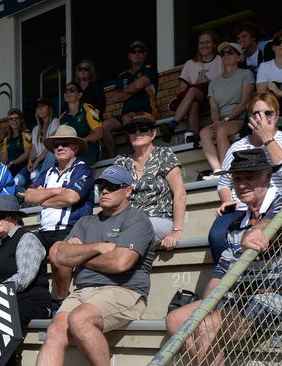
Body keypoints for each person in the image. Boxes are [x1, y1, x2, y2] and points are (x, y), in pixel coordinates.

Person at [165, 149, 282, 365]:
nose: (241, 184)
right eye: (237, 178)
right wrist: (206, 305)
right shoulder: (234, 226)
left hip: (277, 297)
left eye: (250, 177)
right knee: (176, 320)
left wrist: (260, 229)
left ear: (268, 175)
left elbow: (275, 217)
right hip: (241, 299)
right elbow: (219, 276)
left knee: (204, 326)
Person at [36, 165, 155, 366]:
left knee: (79, 319)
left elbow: (120, 263)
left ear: (128, 191)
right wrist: (98, 247)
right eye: (102, 187)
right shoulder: (85, 221)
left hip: (124, 290)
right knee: (55, 331)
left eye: (112, 186)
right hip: (83, 291)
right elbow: (61, 255)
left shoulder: (136, 219)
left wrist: (80, 254)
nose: (105, 191)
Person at [21, 125, 94, 307]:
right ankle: (35, 300)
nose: (59, 148)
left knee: (57, 252)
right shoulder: (47, 172)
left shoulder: (83, 170)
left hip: (72, 228)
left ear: (75, 148)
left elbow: (71, 197)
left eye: (64, 144)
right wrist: (58, 191)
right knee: (20, 244)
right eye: (56, 145)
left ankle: (61, 300)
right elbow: (30, 196)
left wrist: (44, 196)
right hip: (45, 230)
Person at [209, 93, 282, 263]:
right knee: (217, 234)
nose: (262, 118)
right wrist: (227, 199)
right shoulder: (238, 146)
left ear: (277, 116)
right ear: (249, 118)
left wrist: (268, 140)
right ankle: (227, 280)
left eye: (268, 113)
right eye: (256, 114)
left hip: (278, 206)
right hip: (242, 207)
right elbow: (223, 183)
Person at [0, 195, 52, 365]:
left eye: (1, 215)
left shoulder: (27, 239)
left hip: (30, 300)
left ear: (14, 217)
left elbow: (24, 277)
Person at [114, 114, 187, 248]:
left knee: (126, 236)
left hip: (157, 218)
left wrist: (177, 232)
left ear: (153, 134)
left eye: (143, 129)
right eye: (132, 130)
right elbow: (114, 195)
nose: (137, 133)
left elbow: (180, 194)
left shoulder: (164, 155)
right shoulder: (122, 162)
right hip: (128, 221)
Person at [199, 42, 255, 178]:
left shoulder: (246, 74)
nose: (226, 55)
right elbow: (213, 107)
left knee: (221, 130)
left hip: (240, 118)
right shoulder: (214, 82)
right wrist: (216, 121)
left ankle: (226, 170)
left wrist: (226, 120)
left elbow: (244, 102)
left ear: (239, 58)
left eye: (230, 52)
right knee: (204, 133)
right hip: (222, 121)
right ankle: (217, 170)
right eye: (223, 54)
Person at [161, 30, 222, 142]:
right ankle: (193, 137)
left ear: (214, 44)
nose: (204, 45)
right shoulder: (190, 63)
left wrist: (208, 82)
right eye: (201, 43)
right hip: (198, 99)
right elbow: (182, 89)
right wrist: (196, 84)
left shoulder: (220, 60)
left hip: (214, 100)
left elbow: (225, 83)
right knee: (193, 101)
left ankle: (172, 125)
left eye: (207, 42)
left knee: (193, 91)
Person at [102, 41, 159, 158]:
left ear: (145, 55)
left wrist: (129, 90)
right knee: (105, 125)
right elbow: (115, 98)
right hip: (127, 114)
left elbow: (138, 86)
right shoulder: (123, 76)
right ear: (129, 56)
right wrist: (136, 88)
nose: (137, 54)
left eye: (140, 51)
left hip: (147, 111)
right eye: (134, 52)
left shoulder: (150, 69)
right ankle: (113, 160)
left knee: (128, 119)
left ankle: (138, 156)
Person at [59, 81, 103, 164]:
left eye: (72, 90)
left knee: (76, 165)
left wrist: (82, 141)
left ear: (79, 95)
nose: (68, 92)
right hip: (69, 151)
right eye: (65, 91)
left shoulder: (88, 109)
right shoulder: (62, 117)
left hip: (88, 148)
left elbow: (99, 133)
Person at [29, 98, 60, 181]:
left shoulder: (55, 122)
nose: (40, 109)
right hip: (39, 161)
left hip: (51, 160)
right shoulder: (35, 129)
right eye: (37, 107)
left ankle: (40, 187)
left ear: (49, 108)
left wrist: (37, 161)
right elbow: (34, 150)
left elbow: (50, 145)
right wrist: (30, 161)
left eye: (43, 106)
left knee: (37, 176)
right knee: (20, 180)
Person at [257, 29, 282, 116]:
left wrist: (277, 91)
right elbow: (261, 93)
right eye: (278, 42)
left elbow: (267, 93)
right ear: (273, 47)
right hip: (270, 107)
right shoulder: (264, 66)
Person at [0, 108, 32, 188]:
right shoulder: (6, 139)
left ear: (21, 120)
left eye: (16, 118)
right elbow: (4, 159)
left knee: (16, 182)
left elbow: (27, 153)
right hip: (11, 168)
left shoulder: (26, 133)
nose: (14, 121)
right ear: (8, 122)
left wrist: (12, 163)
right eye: (11, 119)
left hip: (23, 166)